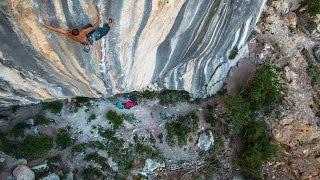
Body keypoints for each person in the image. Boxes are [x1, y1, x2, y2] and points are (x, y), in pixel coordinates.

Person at [41, 18, 112, 47]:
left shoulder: (68, 33)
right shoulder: (83, 32)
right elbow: (95, 26)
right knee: (103, 31)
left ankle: (86, 43)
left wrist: (45, 26)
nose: (72, 29)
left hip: (83, 40)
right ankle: (109, 24)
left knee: (90, 26)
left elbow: (56, 29)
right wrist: (99, 18)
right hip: (89, 39)